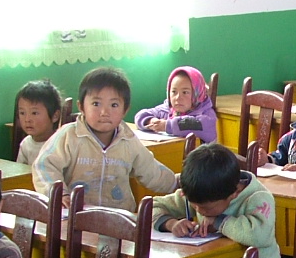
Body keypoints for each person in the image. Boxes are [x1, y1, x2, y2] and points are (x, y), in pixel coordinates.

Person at [32, 66, 177, 212]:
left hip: (118, 217)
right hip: (75, 215)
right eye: (96, 104)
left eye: (114, 105)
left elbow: (152, 171)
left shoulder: (129, 140)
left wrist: (179, 183)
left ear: (125, 110)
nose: (104, 112)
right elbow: (44, 165)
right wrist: (59, 194)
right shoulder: (69, 136)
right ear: (81, 107)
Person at [153, 142, 281, 258]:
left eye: (207, 208)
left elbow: (259, 235)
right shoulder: (199, 192)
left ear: (234, 193)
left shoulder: (258, 197)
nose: (199, 211)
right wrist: (171, 224)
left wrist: (219, 221)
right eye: (194, 205)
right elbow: (152, 207)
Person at [133, 65, 218, 143]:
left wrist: (166, 125)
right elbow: (140, 115)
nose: (178, 97)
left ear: (198, 94)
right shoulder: (166, 110)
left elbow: (195, 124)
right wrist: (151, 121)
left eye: (185, 92)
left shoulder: (206, 115)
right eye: (174, 92)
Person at [13, 79, 63, 166]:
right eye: (22, 113)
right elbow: (20, 171)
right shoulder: (26, 144)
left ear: (55, 116)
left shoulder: (62, 144)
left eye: (34, 113)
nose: (27, 119)